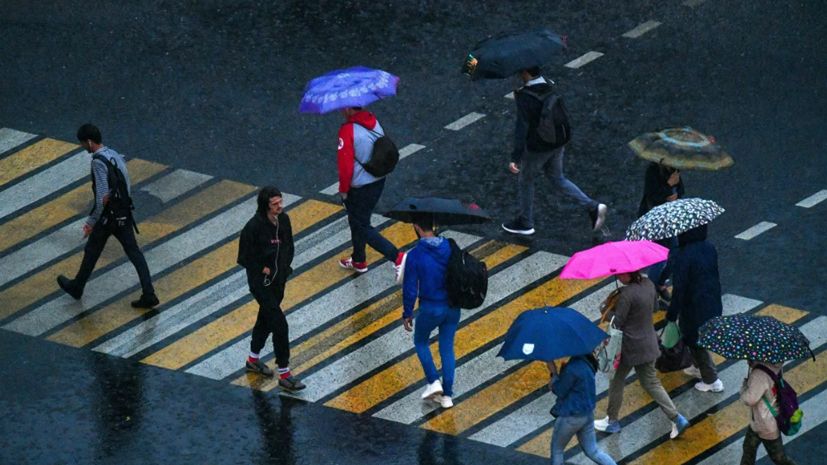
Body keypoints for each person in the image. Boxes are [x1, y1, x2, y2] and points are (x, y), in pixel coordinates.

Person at [57, 124, 159, 308]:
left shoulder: (97, 162)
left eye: (82, 144)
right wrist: (124, 210)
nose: (83, 147)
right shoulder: (115, 155)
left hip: (108, 217)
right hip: (124, 213)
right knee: (134, 252)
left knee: (92, 250)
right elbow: (126, 184)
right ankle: (149, 293)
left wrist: (92, 221)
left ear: (89, 142)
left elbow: (102, 197)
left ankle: (77, 287)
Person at [502, 67, 607, 236]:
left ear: (524, 74)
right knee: (557, 178)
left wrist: (516, 156)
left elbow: (522, 128)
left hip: (538, 146)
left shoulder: (525, 96)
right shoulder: (550, 85)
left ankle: (525, 222)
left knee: (526, 181)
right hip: (557, 140)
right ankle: (592, 206)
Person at [594, 271, 690, 438]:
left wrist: (605, 310)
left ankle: (612, 421)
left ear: (628, 274)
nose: (618, 277)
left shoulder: (627, 295)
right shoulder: (648, 284)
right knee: (652, 383)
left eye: (620, 274)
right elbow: (654, 308)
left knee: (616, 380)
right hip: (649, 344)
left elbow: (618, 322)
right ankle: (677, 418)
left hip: (629, 348)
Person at [237, 186, 304, 391]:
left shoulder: (284, 220)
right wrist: (264, 269)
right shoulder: (253, 227)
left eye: (280, 202)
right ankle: (284, 374)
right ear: (265, 206)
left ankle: (253, 359)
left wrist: (283, 268)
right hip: (261, 285)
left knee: (265, 319)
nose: (280, 207)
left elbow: (289, 246)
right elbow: (244, 258)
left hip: (279, 281)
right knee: (280, 325)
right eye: (275, 204)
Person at [336, 106, 406, 280]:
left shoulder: (347, 131)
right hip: (378, 181)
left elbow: (345, 167)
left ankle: (397, 257)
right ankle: (359, 260)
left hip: (360, 187)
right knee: (357, 220)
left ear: (348, 109)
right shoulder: (372, 121)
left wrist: (343, 190)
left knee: (361, 226)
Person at [401, 214, 459, 409]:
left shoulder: (415, 254)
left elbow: (410, 288)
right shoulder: (450, 247)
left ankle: (434, 381)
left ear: (417, 227)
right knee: (447, 348)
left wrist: (407, 312)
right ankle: (448, 396)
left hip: (430, 307)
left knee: (421, 341)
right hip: (452, 306)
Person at [666, 224, 725, 392]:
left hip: (693, 305)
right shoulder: (709, 248)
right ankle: (697, 367)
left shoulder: (683, 254)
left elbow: (680, 288)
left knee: (696, 340)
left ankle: (712, 380)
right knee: (696, 336)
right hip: (712, 300)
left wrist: (672, 313)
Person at [548, 354, 616, 465]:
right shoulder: (588, 362)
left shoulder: (572, 367)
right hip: (587, 414)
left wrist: (554, 373)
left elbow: (560, 390)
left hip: (571, 415)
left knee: (557, 451)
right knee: (593, 450)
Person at [638, 162, 685, 304]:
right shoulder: (653, 170)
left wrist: (676, 194)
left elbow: (681, 188)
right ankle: (650, 293)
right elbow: (652, 195)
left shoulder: (674, 168)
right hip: (654, 219)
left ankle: (660, 283)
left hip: (669, 218)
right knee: (660, 257)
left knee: (675, 253)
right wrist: (669, 185)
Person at [739, 360, 798, 465]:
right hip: (763, 419)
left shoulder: (758, 375)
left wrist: (744, 387)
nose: (746, 359)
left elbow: (750, 399)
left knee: (779, 458)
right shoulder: (774, 364)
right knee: (748, 448)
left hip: (765, 423)